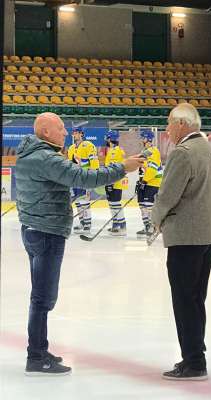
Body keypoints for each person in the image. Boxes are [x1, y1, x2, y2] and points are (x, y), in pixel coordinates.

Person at [15, 112, 144, 376]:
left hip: (32, 230)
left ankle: (39, 348)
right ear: (46, 132)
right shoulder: (46, 158)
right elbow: (84, 178)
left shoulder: (29, 154)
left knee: (40, 296)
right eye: (61, 128)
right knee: (43, 298)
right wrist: (123, 167)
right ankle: (36, 356)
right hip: (47, 233)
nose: (65, 132)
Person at [151, 103, 211, 381]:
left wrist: (155, 220)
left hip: (186, 237)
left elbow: (168, 195)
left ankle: (194, 361)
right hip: (208, 235)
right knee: (196, 298)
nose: (167, 129)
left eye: (169, 123)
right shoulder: (209, 149)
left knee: (184, 299)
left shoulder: (182, 153)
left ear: (182, 124)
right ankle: (196, 353)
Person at [67, 127, 99, 234]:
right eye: (73, 133)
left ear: (81, 134)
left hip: (85, 178)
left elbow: (94, 161)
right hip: (75, 179)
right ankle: (82, 222)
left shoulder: (88, 145)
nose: (74, 135)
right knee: (78, 202)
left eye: (76, 133)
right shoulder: (71, 148)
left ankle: (87, 224)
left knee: (84, 201)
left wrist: (93, 175)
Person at [136, 129, 162, 238]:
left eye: (143, 137)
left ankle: (153, 227)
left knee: (148, 206)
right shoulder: (145, 151)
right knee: (142, 205)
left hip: (152, 183)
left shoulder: (153, 151)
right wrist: (141, 181)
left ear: (148, 139)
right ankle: (147, 226)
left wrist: (145, 181)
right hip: (145, 182)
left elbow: (152, 169)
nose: (142, 139)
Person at [104, 130, 128, 236]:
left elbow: (118, 168)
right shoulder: (111, 150)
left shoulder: (118, 151)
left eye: (107, 138)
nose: (106, 140)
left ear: (110, 139)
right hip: (110, 181)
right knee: (112, 204)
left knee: (116, 203)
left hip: (116, 182)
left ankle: (122, 225)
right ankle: (116, 224)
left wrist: (112, 181)